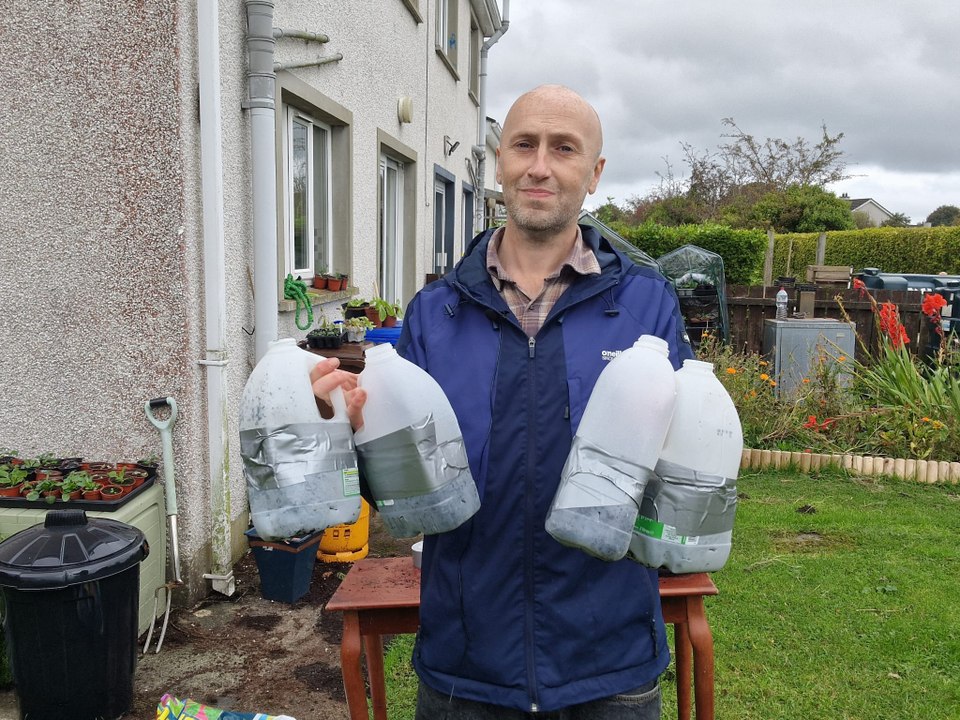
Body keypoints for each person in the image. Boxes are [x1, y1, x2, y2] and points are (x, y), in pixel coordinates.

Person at [314, 84, 693, 719]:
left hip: (610, 665)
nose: (540, 165)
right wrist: (348, 430)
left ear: (594, 173)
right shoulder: (435, 315)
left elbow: (675, 478)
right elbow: (408, 497)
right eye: (524, 144)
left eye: (564, 148)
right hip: (468, 668)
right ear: (500, 161)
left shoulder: (648, 306)